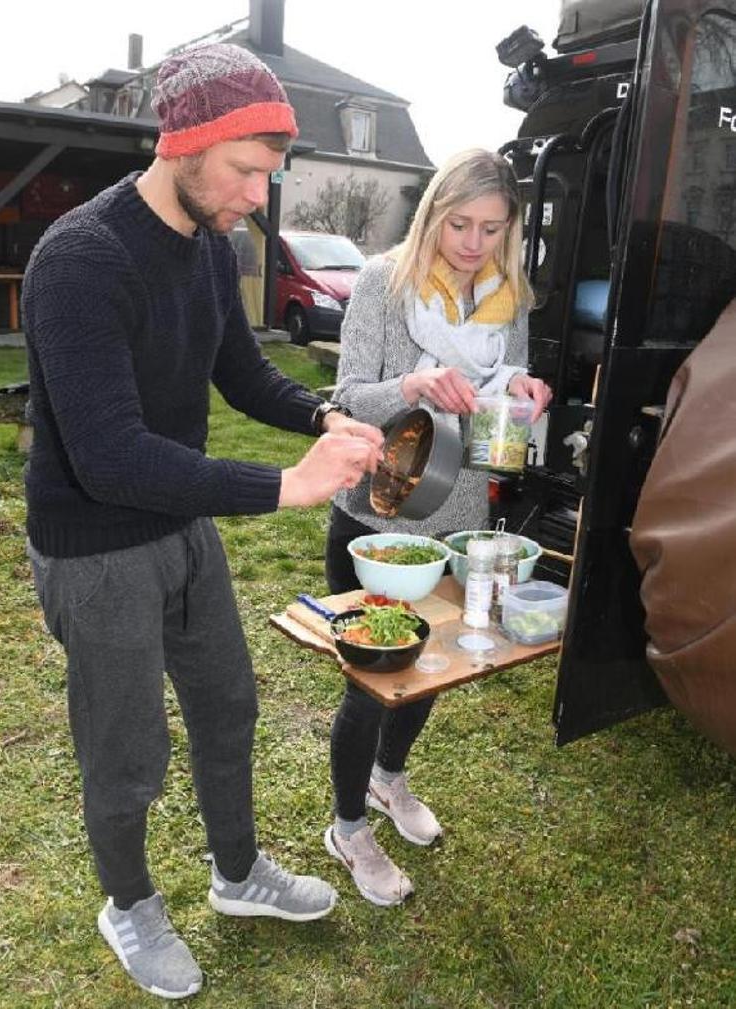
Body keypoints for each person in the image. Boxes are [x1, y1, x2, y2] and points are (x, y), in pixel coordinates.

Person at [21, 43, 383, 1000]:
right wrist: (285, 485)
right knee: (127, 746)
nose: (260, 197)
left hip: (181, 528)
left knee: (228, 705)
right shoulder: (79, 259)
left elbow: (242, 373)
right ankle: (129, 904)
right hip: (94, 546)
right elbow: (109, 456)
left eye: (269, 175)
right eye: (248, 172)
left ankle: (237, 873)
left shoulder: (214, 251)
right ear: (184, 145)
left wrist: (321, 415)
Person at [322, 148, 552, 906]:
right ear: (433, 214)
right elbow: (350, 394)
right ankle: (347, 825)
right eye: (459, 223)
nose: (473, 243)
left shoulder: (507, 296)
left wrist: (517, 396)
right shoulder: (385, 284)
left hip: (458, 518)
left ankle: (389, 781)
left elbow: (492, 429)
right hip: (378, 517)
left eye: (492, 228)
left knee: (429, 672)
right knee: (374, 678)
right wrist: (411, 385)